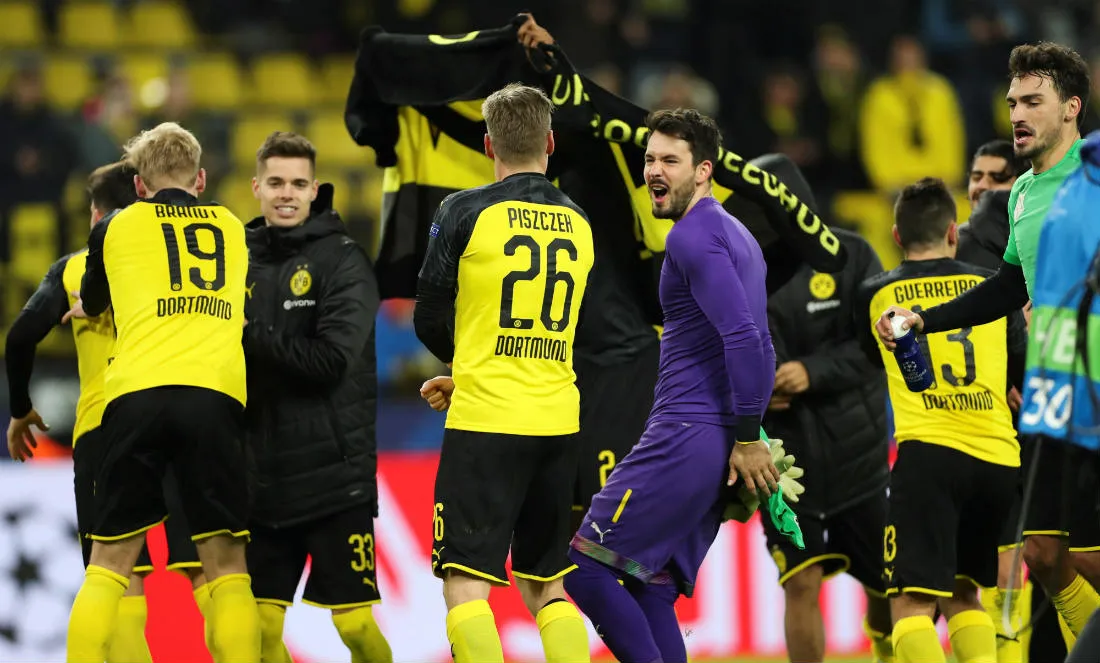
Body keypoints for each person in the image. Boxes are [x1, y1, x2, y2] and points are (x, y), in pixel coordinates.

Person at [873, 42, 1100, 649]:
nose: (1017, 114)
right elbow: (1007, 287)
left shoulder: (1095, 178)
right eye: (1012, 102)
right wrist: (925, 319)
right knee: (1043, 554)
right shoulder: (1021, 194)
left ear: (1072, 107)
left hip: (1096, 385)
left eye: (1033, 101)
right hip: (1054, 393)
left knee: (1089, 557)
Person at [560, 108, 779, 663]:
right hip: (715, 441)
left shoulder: (692, 237)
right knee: (650, 586)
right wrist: (745, 432)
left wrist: (748, 437)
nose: (654, 171)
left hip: (686, 434)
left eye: (670, 161)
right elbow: (763, 344)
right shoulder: (738, 235)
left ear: (703, 170)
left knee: (584, 568)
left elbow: (744, 338)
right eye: (650, 159)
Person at [64, 122, 260, 663]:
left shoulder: (116, 227)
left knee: (108, 564)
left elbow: (95, 300)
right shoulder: (232, 227)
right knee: (226, 566)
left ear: (139, 186)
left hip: (136, 396)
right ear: (200, 179)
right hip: (215, 394)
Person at [413, 83, 594, 663]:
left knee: (465, 584)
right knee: (547, 585)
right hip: (557, 422)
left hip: (486, 422)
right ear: (550, 142)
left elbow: (428, 317)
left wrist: (469, 368)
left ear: (488, 144)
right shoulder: (579, 222)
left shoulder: (463, 211)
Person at [856, 177, 1028, 663]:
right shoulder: (991, 289)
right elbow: (1019, 366)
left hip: (929, 456)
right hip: (997, 459)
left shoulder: (876, 295)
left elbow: (868, 358)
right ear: (954, 232)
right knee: (965, 596)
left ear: (896, 236)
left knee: (910, 607)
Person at [241, 131, 391, 663]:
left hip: (334, 480)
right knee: (260, 630)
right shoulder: (238, 262)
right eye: (276, 182)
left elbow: (331, 362)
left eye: (298, 184)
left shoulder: (344, 261)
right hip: (263, 479)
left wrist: (248, 335)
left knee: (355, 626)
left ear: (314, 190)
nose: (286, 193)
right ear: (256, 187)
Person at [762, 215, 892, 663]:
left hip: (860, 461)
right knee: (800, 581)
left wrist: (812, 372)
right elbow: (730, 346)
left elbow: (879, 344)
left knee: (886, 587)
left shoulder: (853, 255)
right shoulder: (747, 267)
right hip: (786, 465)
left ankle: (885, 648)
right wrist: (758, 388)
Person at [958, 138, 1038, 663]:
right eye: (976, 177)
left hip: (1025, 421)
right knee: (983, 570)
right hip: (977, 423)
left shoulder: (1032, 245)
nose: (983, 188)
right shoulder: (957, 248)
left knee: (1028, 559)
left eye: (996, 178)